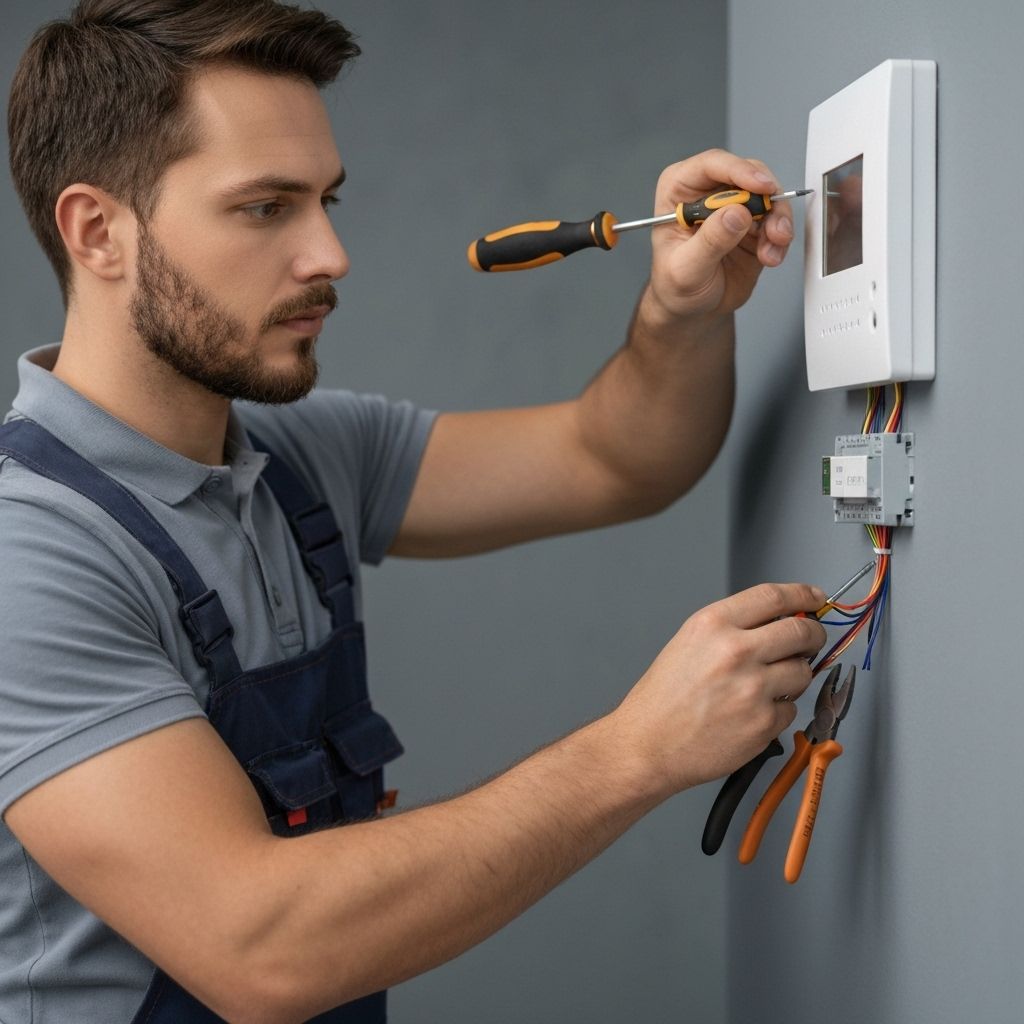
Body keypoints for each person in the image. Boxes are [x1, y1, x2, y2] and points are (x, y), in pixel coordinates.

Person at [0, 2, 827, 1022]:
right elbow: (261, 948)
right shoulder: (30, 556)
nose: (329, 254)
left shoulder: (297, 457)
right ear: (98, 232)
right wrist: (634, 752)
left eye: (326, 201)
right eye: (265, 208)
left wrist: (681, 312)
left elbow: (615, 459)